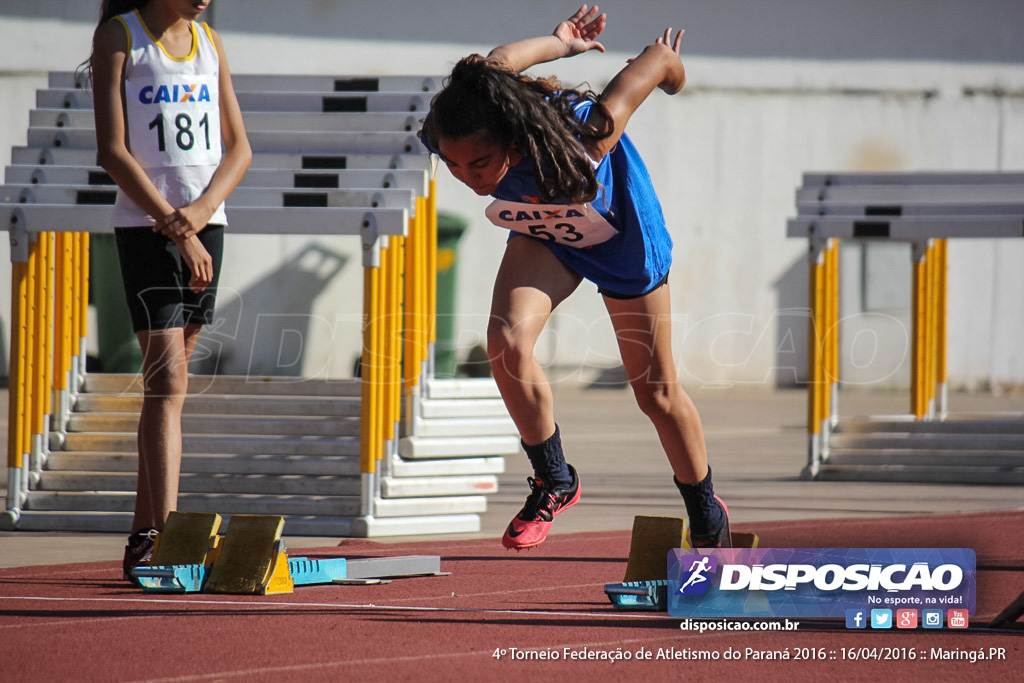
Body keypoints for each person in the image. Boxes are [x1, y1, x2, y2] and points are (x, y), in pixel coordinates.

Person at [420, 5, 731, 550]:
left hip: (621, 239)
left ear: (513, 143)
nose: (468, 179)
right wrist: (560, 42)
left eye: (480, 165)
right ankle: (555, 478)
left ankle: (705, 509)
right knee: (506, 341)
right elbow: (499, 61)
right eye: (453, 166)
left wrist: (672, 70)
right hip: (547, 230)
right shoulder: (474, 103)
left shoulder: (587, 137)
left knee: (655, 394)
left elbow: (651, 65)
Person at [86, 0, 251, 580]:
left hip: (208, 227)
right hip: (147, 229)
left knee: (167, 390)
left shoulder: (209, 40)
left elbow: (239, 148)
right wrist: (179, 227)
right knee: (170, 382)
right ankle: (172, 535)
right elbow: (113, 151)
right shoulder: (120, 36)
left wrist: (202, 214)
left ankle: (143, 535)